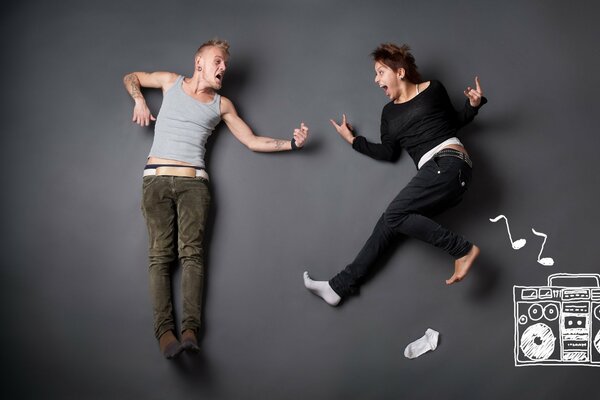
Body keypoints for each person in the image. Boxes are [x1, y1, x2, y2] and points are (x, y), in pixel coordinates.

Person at [123, 39, 309, 358]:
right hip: (155, 180)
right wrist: (139, 100)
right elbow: (132, 77)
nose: (223, 68)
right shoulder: (170, 82)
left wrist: (291, 144)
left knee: (192, 255)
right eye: (218, 62)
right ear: (199, 62)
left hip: (194, 185)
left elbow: (251, 140)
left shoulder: (222, 105)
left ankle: (190, 331)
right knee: (159, 257)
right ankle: (165, 334)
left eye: (225, 65)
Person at [303, 43, 485, 306]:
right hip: (440, 176)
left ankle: (462, 250)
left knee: (394, 215)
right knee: (389, 223)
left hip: (450, 162)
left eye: (380, 72)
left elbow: (453, 122)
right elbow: (389, 152)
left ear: (400, 72)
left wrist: (473, 106)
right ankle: (339, 286)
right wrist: (353, 140)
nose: (376, 80)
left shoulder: (433, 89)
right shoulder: (388, 114)